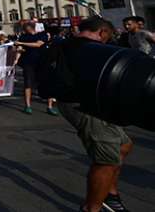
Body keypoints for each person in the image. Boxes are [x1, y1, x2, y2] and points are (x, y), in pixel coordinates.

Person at [54, 17, 132, 212]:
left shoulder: (68, 45)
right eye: (109, 36)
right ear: (103, 32)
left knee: (124, 145)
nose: (108, 40)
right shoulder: (86, 49)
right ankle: (93, 208)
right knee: (106, 159)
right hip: (84, 105)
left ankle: (109, 193)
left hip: (92, 103)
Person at [15, 22, 57, 115]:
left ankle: (50, 106)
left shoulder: (42, 35)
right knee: (28, 83)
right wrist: (17, 57)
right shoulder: (23, 36)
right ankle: (28, 106)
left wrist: (21, 43)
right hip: (28, 63)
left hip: (42, 62)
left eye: (25, 28)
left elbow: (38, 44)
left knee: (48, 83)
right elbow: (19, 49)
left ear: (30, 28)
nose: (24, 30)